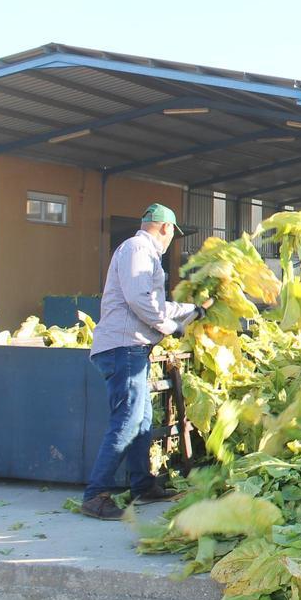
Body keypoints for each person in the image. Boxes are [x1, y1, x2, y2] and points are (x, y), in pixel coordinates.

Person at [81, 204, 211, 520]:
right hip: (123, 349)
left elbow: (154, 303)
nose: (171, 240)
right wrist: (172, 327)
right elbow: (141, 302)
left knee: (141, 421)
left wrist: (192, 310)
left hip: (131, 349)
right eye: (172, 234)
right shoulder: (138, 249)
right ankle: (95, 494)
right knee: (127, 420)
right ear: (165, 228)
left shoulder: (142, 253)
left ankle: (143, 485)